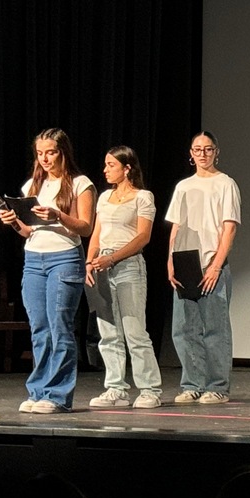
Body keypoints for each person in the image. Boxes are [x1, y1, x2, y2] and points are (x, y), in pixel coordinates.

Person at [0, 128, 94, 414]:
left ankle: (57, 395)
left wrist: (58, 215)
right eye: (40, 154)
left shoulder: (80, 183)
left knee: (59, 327)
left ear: (63, 152)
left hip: (63, 259)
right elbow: (29, 232)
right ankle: (38, 390)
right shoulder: (32, 186)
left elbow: (85, 227)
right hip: (34, 261)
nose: (45, 159)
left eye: (50, 152)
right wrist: (13, 222)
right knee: (40, 330)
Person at [85, 146, 163, 410]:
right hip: (101, 266)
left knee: (134, 331)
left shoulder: (143, 197)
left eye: (111, 165)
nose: (105, 170)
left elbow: (143, 237)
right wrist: (89, 261)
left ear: (127, 168)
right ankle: (116, 389)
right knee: (108, 332)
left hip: (128, 266)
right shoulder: (104, 197)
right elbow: (97, 233)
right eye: (105, 165)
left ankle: (150, 389)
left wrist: (113, 258)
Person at [166, 131, 241, 404]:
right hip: (185, 261)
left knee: (215, 329)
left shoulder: (225, 184)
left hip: (211, 262)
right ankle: (192, 384)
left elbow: (229, 227)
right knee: (184, 329)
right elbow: (175, 226)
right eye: (198, 149)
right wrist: (170, 261)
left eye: (208, 149)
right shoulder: (183, 187)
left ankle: (218, 386)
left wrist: (216, 266)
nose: (203, 154)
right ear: (191, 153)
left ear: (216, 152)